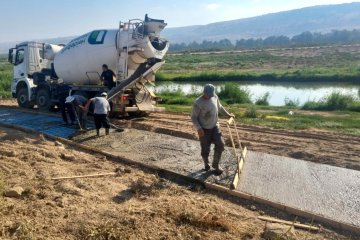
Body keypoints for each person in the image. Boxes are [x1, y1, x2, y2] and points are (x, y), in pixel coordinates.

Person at [191, 84, 234, 175]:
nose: (210, 97)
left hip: (215, 126)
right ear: (204, 93)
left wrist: (228, 114)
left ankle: (215, 165)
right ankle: (206, 163)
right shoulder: (198, 102)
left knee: (221, 144)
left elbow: (220, 107)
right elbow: (194, 117)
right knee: (205, 149)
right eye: (208, 95)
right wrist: (199, 128)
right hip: (204, 129)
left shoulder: (214, 97)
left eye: (211, 95)